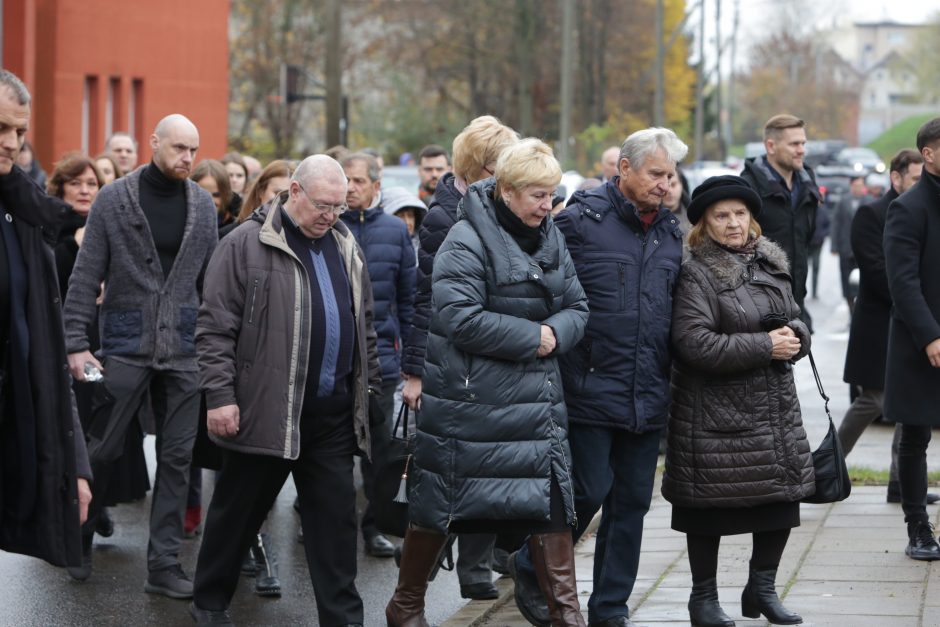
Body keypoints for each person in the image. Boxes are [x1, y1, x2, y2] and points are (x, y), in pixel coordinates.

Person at [386, 138, 589, 627]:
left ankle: (568, 617)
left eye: (552, 193)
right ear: (508, 190)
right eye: (539, 195)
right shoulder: (465, 239)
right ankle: (406, 605)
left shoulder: (551, 236)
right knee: (441, 512)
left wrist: (552, 334)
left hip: (537, 405)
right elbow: (458, 317)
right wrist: (534, 337)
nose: (549, 204)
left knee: (553, 512)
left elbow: (578, 307)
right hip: (470, 405)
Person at [190, 154, 381, 626]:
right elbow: (213, 329)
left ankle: (344, 619)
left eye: (339, 206)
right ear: (293, 192)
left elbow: (366, 328)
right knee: (237, 515)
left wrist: (369, 391)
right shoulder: (244, 245)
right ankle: (210, 602)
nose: (331, 215)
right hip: (265, 411)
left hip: (330, 417)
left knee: (336, 526)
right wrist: (219, 396)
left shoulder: (345, 245)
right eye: (322, 205)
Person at [510, 127, 688, 627]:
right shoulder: (580, 223)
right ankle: (530, 562)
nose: (664, 185)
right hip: (587, 386)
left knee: (631, 505)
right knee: (586, 491)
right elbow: (542, 292)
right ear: (624, 169)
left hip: (647, 392)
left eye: (670, 176)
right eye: (656, 174)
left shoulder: (671, 232)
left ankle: (609, 607)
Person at [63, 114, 218, 594]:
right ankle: (78, 536)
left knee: (177, 458)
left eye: (193, 150)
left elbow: (210, 283)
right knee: (103, 448)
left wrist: (217, 347)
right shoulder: (115, 198)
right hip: (126, 344)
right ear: (154, 143)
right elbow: (86, 274)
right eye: (178, 148)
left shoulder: (202, 204)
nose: (187, 158)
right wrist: (75, 342)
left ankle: (165, 565)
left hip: (186, 347)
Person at [662, 175, 813, 627]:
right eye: (722, 216)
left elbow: (796, 318)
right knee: (708, 511)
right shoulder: (697, 271)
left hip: (773, 408)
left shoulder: (770, 263)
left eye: (740, 214)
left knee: (781, 503)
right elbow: (693, 343)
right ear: (704, 224)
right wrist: (767, 346)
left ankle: (762, 589)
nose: (733, 223)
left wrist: (796, 337)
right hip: (714, 413)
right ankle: (703, 598)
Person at [401, 114, 520, 600]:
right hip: (454, 359)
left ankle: (475, 569)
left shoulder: (498, 207)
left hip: (494, 356)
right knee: (451, 471)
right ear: (482, 166)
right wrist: (414, 372)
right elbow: (425, 296)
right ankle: (417, 570)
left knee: (489, 466)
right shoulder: (445, 213)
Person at [0, 69, 92, 569]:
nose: (11, 144)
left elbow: (47, 351)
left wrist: (73, 465)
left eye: (18, 131)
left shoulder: (26, 216)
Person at [48, 154, 151, 549]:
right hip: (63, 339)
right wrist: (74, 247)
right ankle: (71, 515)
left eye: (91, 183)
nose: (85, 190)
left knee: (104, 423)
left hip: (107, 341)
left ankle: (98, 503)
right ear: (61, 187)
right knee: (70, 426)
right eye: (77, 183)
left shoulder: (110, 224)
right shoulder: (50, 227)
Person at [838, 149, 936, 505]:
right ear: (896, 178)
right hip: (881, 325)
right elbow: (884, 274)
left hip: (913, 320)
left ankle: (901, 484)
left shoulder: (923, 209)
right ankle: (824, 466)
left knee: (905, 410)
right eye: (912, 177)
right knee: (875, 400)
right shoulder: (874, 213)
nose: (916, 183)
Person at [339, 152, 415, 559]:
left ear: (375, 186)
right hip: (335, 361)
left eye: (358, 181)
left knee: (379, 453)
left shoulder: (394, 231)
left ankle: (373, 526)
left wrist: (410, 363)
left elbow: (408, 300)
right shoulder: (329, 227)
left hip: (381, 361)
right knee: (334, 450)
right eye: (345, 180)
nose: (351, 188)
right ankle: (327, 522)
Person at [883, 118, 940, 561]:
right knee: (915, 435)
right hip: (922, 340)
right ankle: (917, 527)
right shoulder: (909, 207)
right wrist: (930, 336)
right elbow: (902, 282)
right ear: (929, 154)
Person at [741, 114, 822, 332]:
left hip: (795, 303)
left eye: (803, 143)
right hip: (758, 309)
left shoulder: (808, 183)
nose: (801, 150)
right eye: (794, 144)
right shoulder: (747, 188)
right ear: (771, 146)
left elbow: (806, 240)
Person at [830, 176, 871, 315]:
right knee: (846, 282)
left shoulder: (869, 201)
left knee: (864, 282)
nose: (858, 188)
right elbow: (836, 223)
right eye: (856, 185)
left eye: (861, 185)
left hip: (865, 250)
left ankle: (862, 311)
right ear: (851, 186)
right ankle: (851, 311)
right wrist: (834, 246)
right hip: (846, 248)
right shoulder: (843, 201)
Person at [235, 159, 293, 227]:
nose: (284, 199)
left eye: (289, 195)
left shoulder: (302, 233)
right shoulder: (235, 233)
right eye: (277, 193)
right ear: (261, 192)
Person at [192, 159, 237, 230]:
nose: (210, 201)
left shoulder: (236, 228)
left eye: (217, 195)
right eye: (202, 195)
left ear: (227, 195)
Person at [381, 186, 428, 254]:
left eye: (410, 215)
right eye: (401, 216)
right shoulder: (379, 249)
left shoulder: (425, 249)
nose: (407, 222)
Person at [663, 168, 692, 233]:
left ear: (681, 185)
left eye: (673, 185)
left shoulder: (696, 218)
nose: (669, 191)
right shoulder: (645, 220)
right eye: (665, 186)